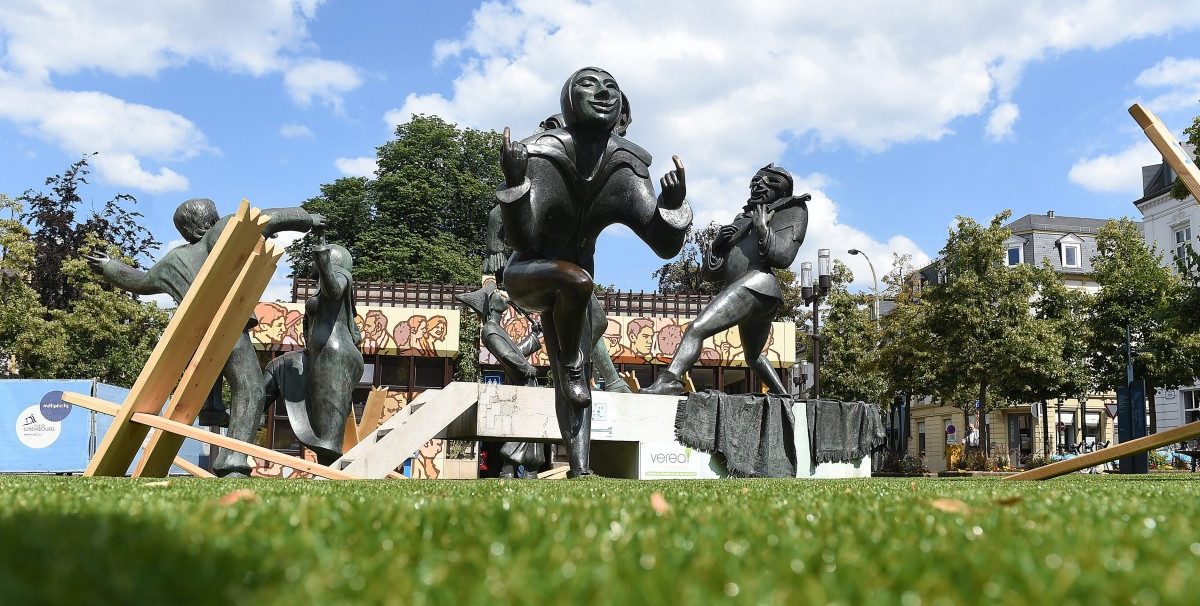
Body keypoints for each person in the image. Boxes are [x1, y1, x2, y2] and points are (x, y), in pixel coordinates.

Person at [496, 66, 691, 476]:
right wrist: (516, 184)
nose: (602, 91)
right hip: (530, 273)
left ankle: (580, 469)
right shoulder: (544, 153)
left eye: (611, 86)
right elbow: (524, 239)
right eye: (588, 83)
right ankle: (568, 367)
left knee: (581, 377)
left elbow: (662, 244)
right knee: (576, 287)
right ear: (568, 99)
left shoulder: (625, 164)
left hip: (576, 294)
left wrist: (672, 206)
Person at [86, 198, 324, 477]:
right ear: (210, 219)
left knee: (208, 373)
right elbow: (266, 219)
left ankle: (212, 406)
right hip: (225, 327)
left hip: (193, 336)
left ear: (184, 230)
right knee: (251, 388)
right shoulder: (222, 231)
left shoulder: (174, 260)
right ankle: (233, 461)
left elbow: (139, 282)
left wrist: (109, 266)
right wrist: (307, 219)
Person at [642, 164, 808, 395]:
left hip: (758, 284)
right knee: (753, 356)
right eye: (756, 180)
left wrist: (762, 229)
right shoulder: (742, 219)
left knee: (697, 328)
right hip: (754, 291)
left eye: (770, 182)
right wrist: (718, 245)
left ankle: (670, 379)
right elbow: (711, 275)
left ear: (782, 191)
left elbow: (783, 257)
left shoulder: (792, 210)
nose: (760, 185)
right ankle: (783, 395)